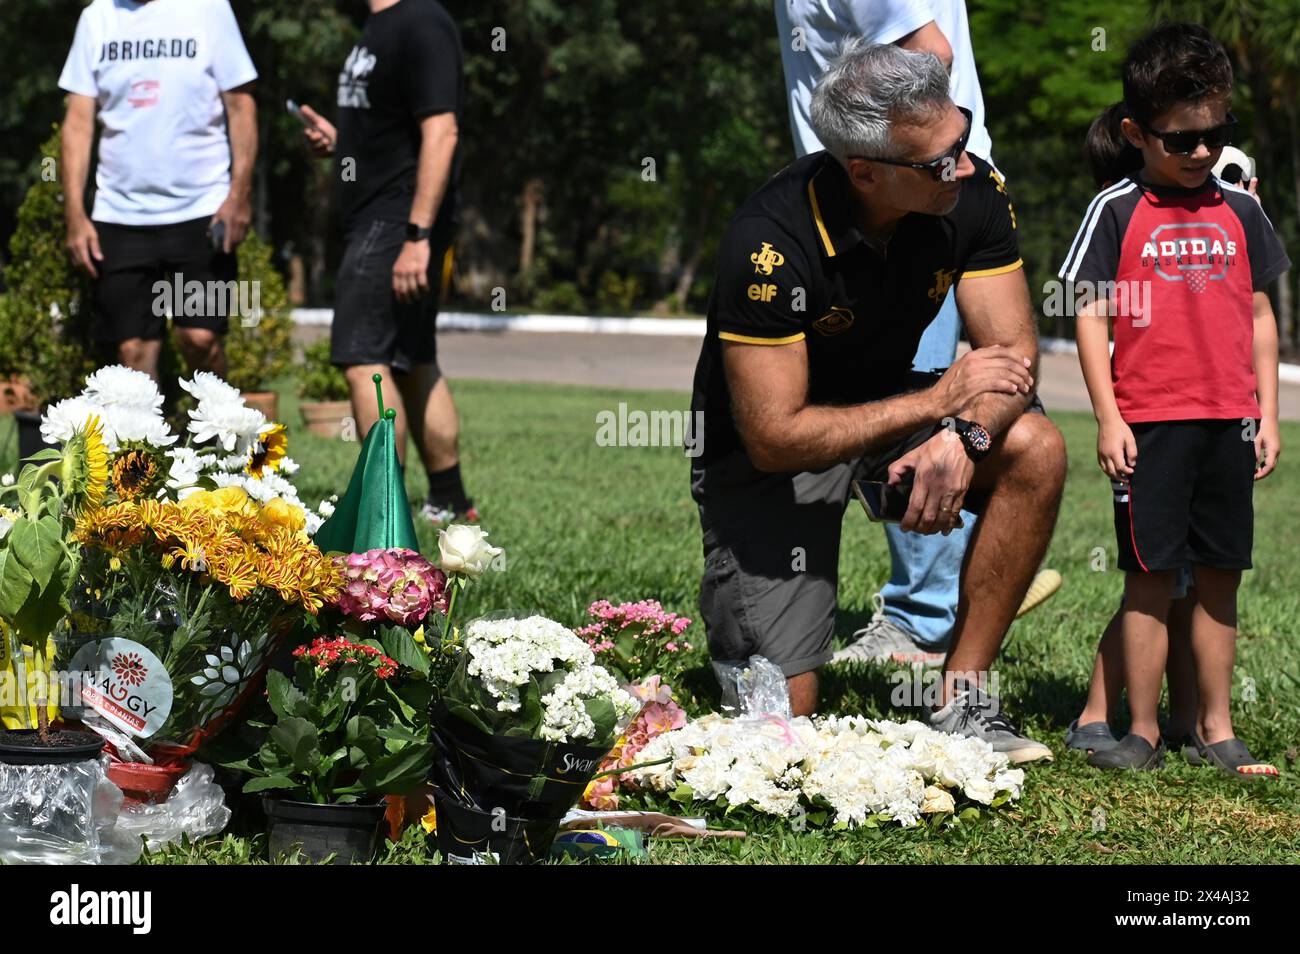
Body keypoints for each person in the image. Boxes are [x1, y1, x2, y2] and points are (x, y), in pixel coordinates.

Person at [690, 41, 1066, 761]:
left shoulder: (970, 189)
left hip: (893, 411)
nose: (960, 166)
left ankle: (963, 698)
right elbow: (773, 436)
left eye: (960, 139)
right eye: (935, 163)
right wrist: (937, 407)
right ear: (864, 171)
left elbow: (1013, 358)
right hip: (771, 456)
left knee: (1036, 449)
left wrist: (964, 438)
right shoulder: (769, 243)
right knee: (781, 729)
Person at [774, 0, 1058, 668]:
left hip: (913, 202)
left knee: (917, 414)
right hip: (887, 195)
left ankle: (925, 617)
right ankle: (937, 597)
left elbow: (930, 53)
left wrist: (894, 171)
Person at [1059, 23, 1284, 775]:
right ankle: (1144, 730)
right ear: (1136, 132)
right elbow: (1088, 311)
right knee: (1149, 580)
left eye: (1214, 135)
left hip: (1230, 422)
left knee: (1220, 578)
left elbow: (1258, 315)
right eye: (1180, 139)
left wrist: (1270, 417)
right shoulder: (1116, 209)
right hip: (1150, 425)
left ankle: (1215, 728)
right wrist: (1109, 416)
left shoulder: (1241, 210)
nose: (1200, 153)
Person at [298, 0, 475, 524]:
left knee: (362, 359)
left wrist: (417, 235)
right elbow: (396, 128)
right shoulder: (379, 26)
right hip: (384, 215)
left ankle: (384, 515)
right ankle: (451, 501)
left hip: (394, 220)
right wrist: (343, 141)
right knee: (413, 359)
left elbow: (442, 132)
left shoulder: (422, 22)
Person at [59, 0, 258, 380]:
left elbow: (241, 107)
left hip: (202, 211)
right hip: (120, 214)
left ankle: (223, 430)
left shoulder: (209, 10)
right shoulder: (96, 19)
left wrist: (239, 197)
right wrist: (74, 214)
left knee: (200, 339)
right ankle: (147, 440)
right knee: (133, 353)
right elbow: (79, 123)